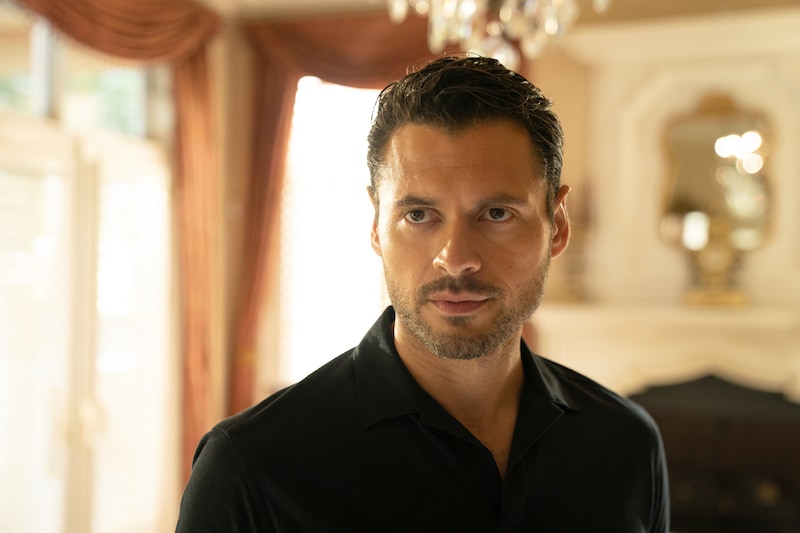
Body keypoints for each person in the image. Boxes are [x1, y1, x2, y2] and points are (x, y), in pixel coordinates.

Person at [176, 54, 670, 532]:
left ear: (556, 225)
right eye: (418, 215)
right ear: (376, 225)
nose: (455, 259)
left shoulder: (626, 444)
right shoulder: (251, 467)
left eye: (497, 214)